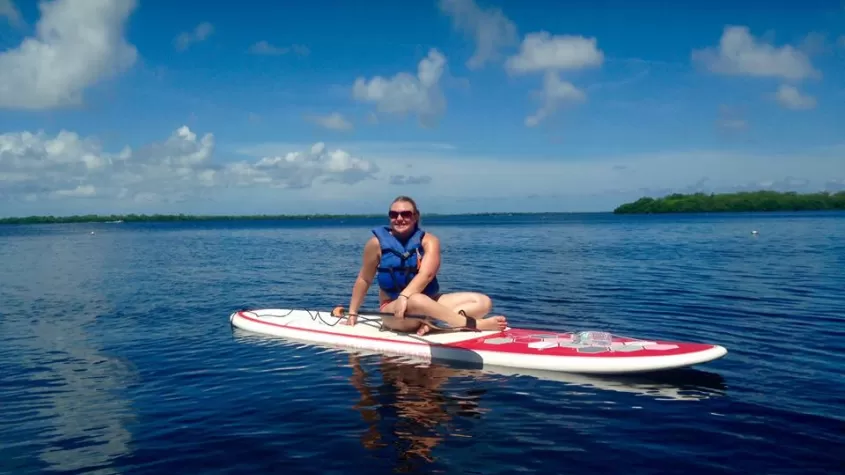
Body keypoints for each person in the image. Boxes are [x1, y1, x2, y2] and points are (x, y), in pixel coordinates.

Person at [344, 195, 508, 335]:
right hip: (394, 311)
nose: (399, 218)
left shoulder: (429, 241)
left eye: (405, 214)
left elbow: (427, 275)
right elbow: (364, 279)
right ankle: (472, 324)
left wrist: (404, 296)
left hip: (426, 302)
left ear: (416, 216)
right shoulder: (375, 244)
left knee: (482, 302)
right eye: (394, 214)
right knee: (417, 299)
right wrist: (352, 312)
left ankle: (433, 322)